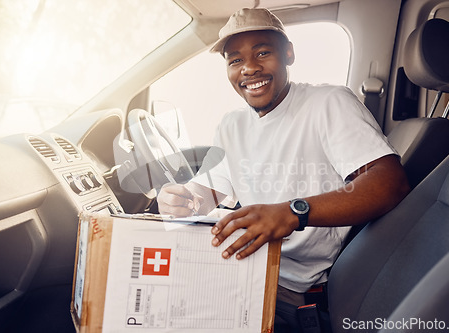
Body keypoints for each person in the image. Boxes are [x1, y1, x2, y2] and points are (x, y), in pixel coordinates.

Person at [157, 7, 410, 332]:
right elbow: (206, 195)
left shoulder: (328, 103)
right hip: (241, 268)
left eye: (263, 52)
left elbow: (390, 182)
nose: (249, 68)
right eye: (235, 60)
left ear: (288, 53)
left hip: (291, 288)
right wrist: (180, 200)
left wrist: (293, 212)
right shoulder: (231, 125)